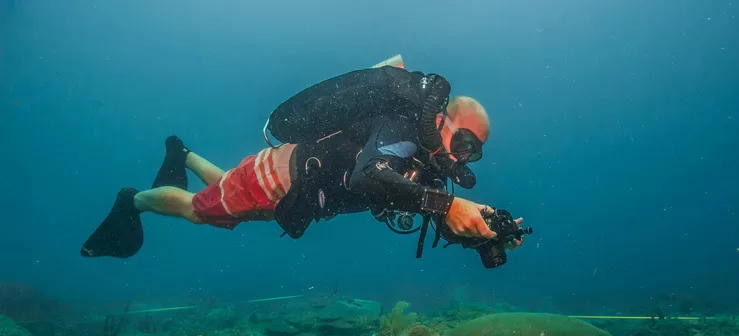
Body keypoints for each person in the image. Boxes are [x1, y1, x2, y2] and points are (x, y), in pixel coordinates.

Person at [81, 58, 524, 260]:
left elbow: (413, 199)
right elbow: (368, 176)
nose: (463, 157)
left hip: (286, 184)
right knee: (199, 210)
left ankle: (184, 154)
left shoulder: (421, 157)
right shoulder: (403, 128)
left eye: (473, 152)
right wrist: (448, 205)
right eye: (463, 141)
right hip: (278, 180)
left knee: (225, 205)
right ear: (442, 119)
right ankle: (133, 200)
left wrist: (478, 228)